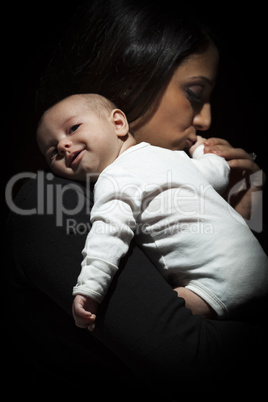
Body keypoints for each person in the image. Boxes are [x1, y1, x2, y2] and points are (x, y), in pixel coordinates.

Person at [5, 0, 268, 397]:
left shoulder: (159, 174)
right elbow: (196, 362)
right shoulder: (53, 200)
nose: (205, 120)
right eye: (196, 93)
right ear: (130, 83)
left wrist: (236, 218)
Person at [36, 92, 268, 328]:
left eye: (73, 128)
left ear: (118, 123)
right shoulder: (172, 156)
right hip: (259, 264)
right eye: (53, 152)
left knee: (143, 319)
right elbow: (216, 173)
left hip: (214, 285)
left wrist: (89, 289)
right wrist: (201, 150)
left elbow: (108, 235)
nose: (63, 146)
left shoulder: (114, 178)